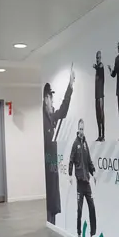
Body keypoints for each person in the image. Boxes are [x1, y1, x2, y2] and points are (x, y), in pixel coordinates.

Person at [42, 71, 75, 224]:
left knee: (54, 200)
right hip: (45, 167)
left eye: (52, 97)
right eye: (50, 97)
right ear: (45, 99)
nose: (52, 101)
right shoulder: (41, 119)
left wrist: (70, 86)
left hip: (53, 165)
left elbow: (63, 110)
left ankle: (52, 225)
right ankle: (49, 223)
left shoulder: (52, 117)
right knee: (48, 199)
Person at [69, 119, 97, 237]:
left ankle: (93, 234)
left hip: (87, 183)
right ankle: (79, 233)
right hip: (80, 183)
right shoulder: (75, 144)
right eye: (80, 129)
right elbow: (71, 160)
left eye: (83, 129)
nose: (81, 131)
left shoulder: (85, 144)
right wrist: (70, 175)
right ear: (77, 129)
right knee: (79, 209)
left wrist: (94, 172)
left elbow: (89, 161)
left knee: (92, 207)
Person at [94, 51, 105, 141]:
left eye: (99, 58)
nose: (98, 59)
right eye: (97, 58)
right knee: (97, 116)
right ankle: (99, 135)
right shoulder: (98, 69)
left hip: (100, 96)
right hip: (96, 96)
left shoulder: (101, 66)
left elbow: (98, 67)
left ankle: (103, 136)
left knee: (101, 115)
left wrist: (95, 67)